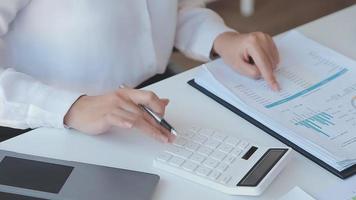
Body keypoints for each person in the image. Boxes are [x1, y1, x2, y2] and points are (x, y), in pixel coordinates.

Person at [0, 0, 279, 143]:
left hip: (151, 100)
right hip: (42, 124)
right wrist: (70, 108)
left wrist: (219, 38)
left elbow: (173, 8)